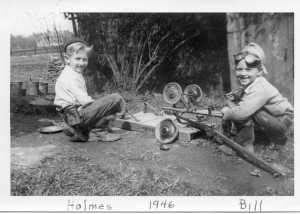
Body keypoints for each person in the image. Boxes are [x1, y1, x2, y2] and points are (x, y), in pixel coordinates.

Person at [221, 43, 293, 153]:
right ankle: (274, 137)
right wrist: (235, 98)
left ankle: (245, 148)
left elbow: (242, 112)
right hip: (279, 118)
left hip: (282, 120)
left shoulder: (260, 87)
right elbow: (244, 98)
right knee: (244, 106)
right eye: (239, 69)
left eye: (249, 70)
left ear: (259, 71)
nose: (243, 73)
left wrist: (227, 114)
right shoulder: (254, 83)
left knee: (244, 112)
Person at [54, 37, 126, 142]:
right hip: (75, 114)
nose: (81, 63)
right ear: (66, 58)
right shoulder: (70, 76)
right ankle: (100, 132)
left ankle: (84, 132)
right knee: (115, 99)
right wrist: (97, 102)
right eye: (77, 59)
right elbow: (84, 100)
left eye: (85, 59)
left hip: (70, 114)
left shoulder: (70, 72)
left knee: (101, 104)